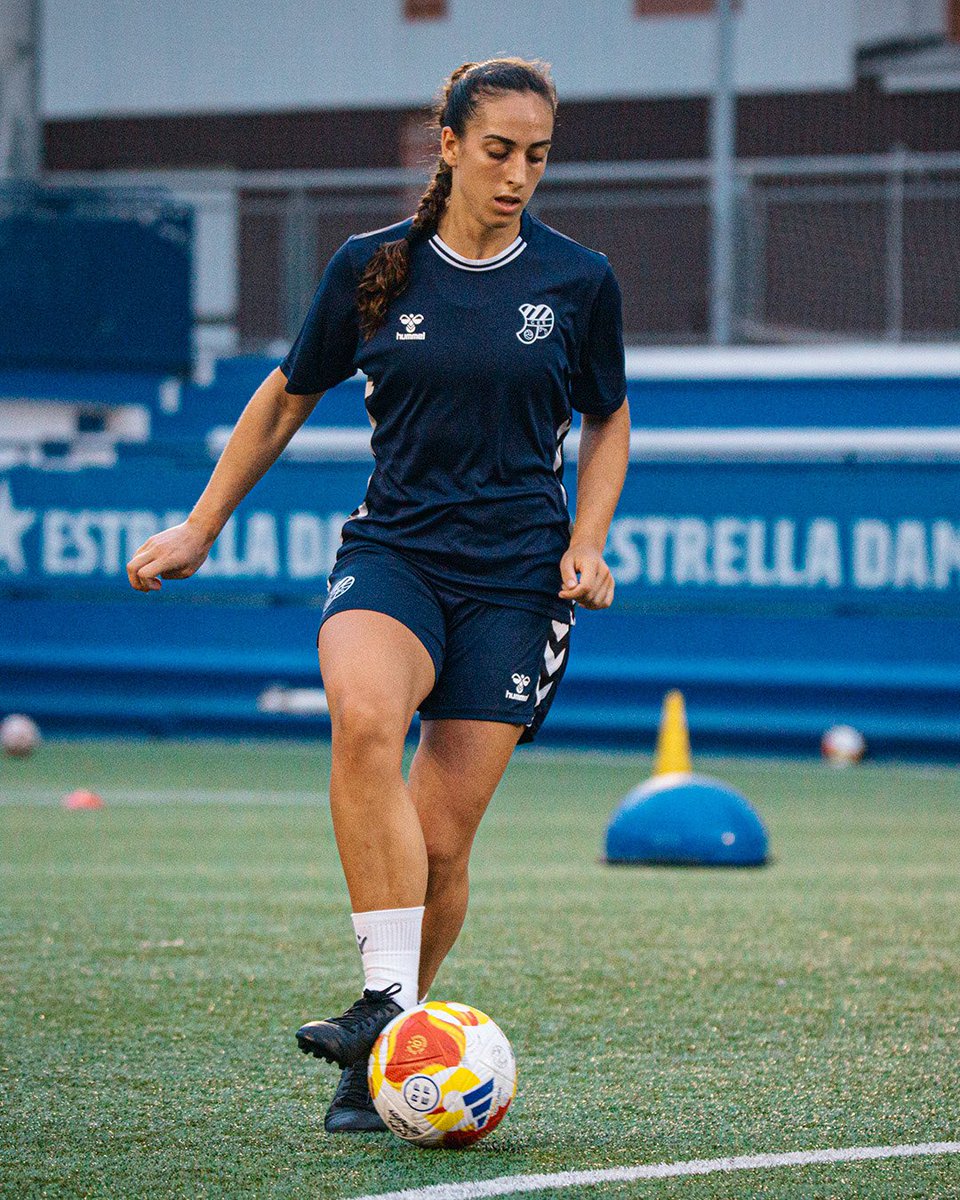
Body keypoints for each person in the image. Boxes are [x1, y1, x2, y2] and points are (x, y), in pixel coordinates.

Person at [126, 57, 630, 1134]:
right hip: (395, 552)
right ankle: (390, 1005)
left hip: (517, 583)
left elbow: (608, 418)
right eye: (498, 150)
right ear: (449, 144)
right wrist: (201, 524)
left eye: (538, 157)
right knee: (363, 719)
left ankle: (379, 1049)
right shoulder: (372, 267)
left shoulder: (579, 280)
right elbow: (285, 396)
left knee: (441, 846)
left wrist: (588, 542)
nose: (517, 175)